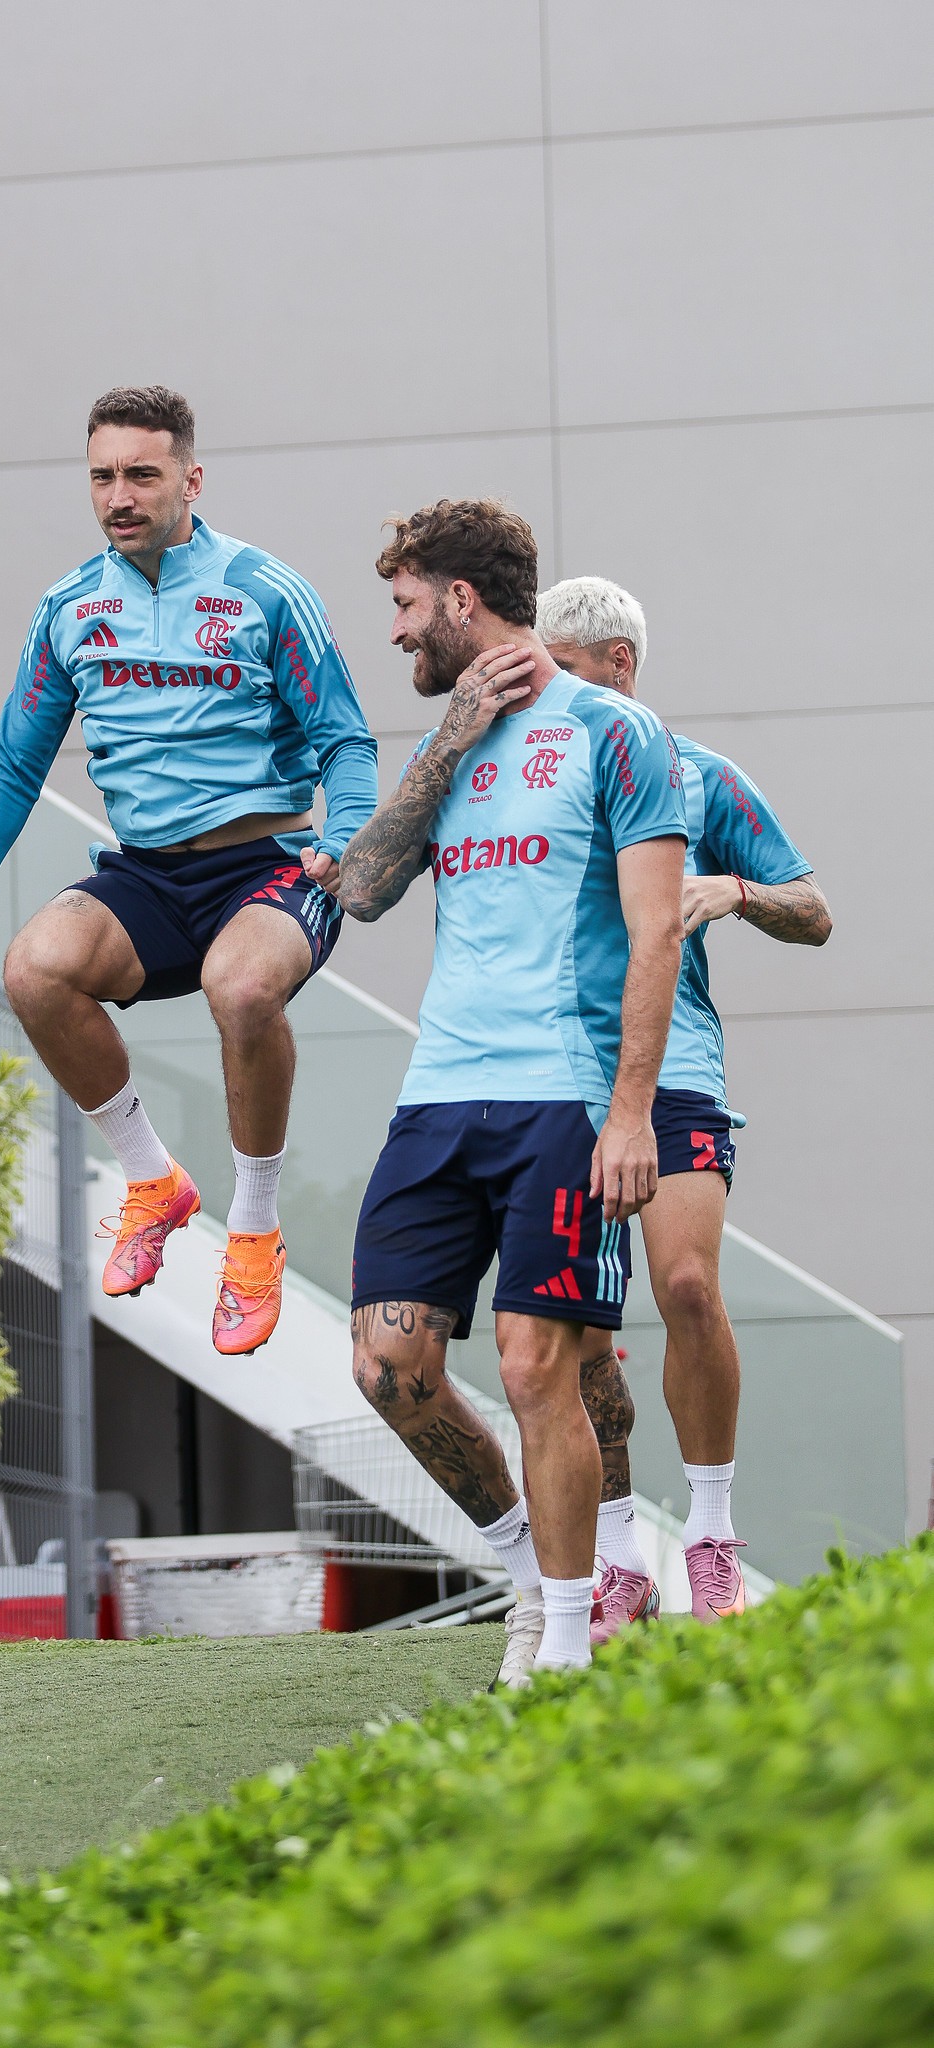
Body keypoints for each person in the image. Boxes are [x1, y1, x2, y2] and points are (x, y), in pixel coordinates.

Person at [0, 386, 377, 1355]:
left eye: (142, 473)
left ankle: (252, 1227)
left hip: (269, 865)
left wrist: (354, 834)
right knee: (34, 968)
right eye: (102, 476)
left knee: (240, 988)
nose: (119, 495)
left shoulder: (266, 591)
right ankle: (152, 1178)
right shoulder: (70, 607)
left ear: (191, 479)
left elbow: (346, 739)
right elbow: (14, 765)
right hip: (146, 877)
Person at [337, 500, 686, 1686]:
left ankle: (573, 1640)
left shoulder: (618, 734)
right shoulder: (453, 739)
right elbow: (365, 887)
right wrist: (450, 736)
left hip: (567, 1097)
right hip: (439, 1093)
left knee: (543, 1366)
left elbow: (656, 936)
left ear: (461, 601)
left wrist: (635, 1112)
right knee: (388, 1366)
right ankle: (526, 1570)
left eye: (403, 603)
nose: (395, 631)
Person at [536, 576, 832, 1638]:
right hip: (548, 1072)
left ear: (620, 664)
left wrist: (735, 893)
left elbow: (817, 908)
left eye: (568, 671)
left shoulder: (704, 778)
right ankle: (618, 1554)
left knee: (689, 1283)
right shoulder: (528, 776)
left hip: (674, 1069)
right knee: (572, 1332)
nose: (553, 696)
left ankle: (710, 1537)